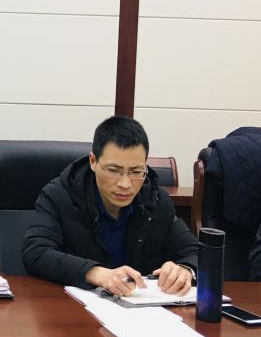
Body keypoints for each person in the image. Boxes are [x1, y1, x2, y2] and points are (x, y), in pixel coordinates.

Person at [22, 115, 197, 296]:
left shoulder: (156, 199)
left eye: (136, 172)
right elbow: (35, 252)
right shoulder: (60, 195)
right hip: (73, 307)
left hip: (140, 307)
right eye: (113, 170)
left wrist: (185, 269)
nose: (125, 184)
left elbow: (195, 252)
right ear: (93, 162)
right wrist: (97, 273)